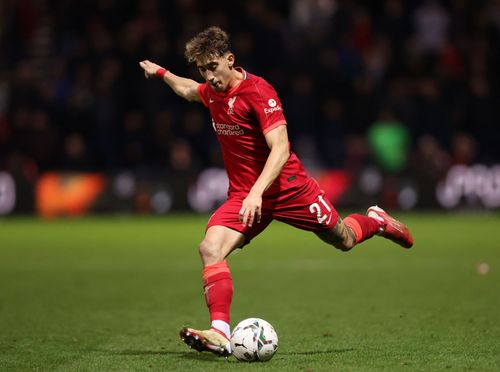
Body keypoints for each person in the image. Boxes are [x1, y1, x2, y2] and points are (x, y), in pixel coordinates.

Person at [139, 26, 413, 357]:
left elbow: (280, 148)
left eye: (213, 67)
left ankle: (377, 221)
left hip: (288, 188)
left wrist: (257, 192)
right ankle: (220, 332)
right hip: (244, 196)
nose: (208, 77)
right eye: (202, 69)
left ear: (230, 59)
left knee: (343, 239)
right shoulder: (212, 91)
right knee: (210, 248)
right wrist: (162, 73)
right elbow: (188, 91)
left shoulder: (258, 91)